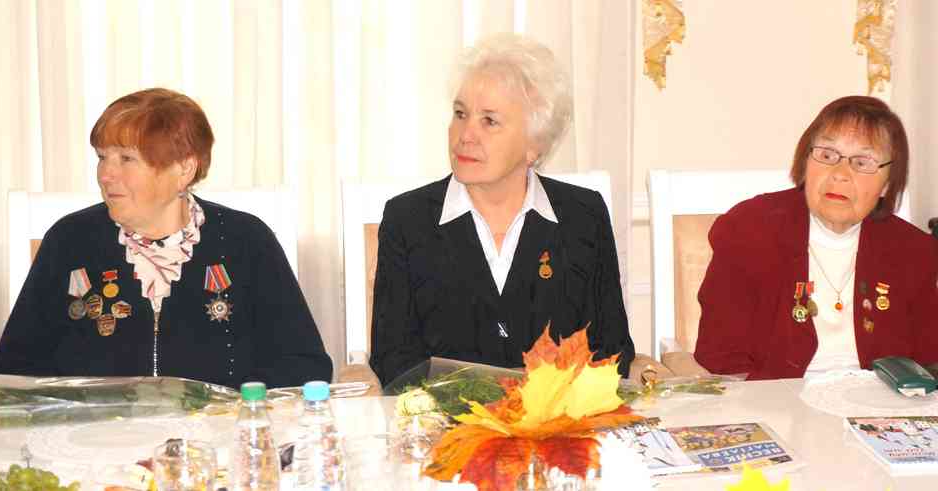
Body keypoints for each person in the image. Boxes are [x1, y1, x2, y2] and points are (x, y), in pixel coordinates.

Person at [0, 88, 332, 389]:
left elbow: (303, 365)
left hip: (218, 435)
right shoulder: (68, 241)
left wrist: (225, 413)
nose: (106, 174)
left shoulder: (246, 241)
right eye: (102, 157)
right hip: (95, 437)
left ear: (184, 169)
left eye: (127, 159)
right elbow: (14, 371)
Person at [368, 34, 634, 386]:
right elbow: (393, 361)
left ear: (534, 144)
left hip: (561, 417)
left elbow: (611, 351)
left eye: (489, 121)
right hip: (444, 418)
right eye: (460, 114)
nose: (465, 135)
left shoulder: (583, 216)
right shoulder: (407, 220)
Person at [694, 95, 938, 380]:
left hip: (877, 402)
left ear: (887, 183)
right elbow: (721, 357)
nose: (840, 174)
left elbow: (927, 361)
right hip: (774, 398)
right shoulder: (750, 230)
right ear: (806, 161)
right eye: (827, 155)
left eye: (862, 162)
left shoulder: (912, 251)